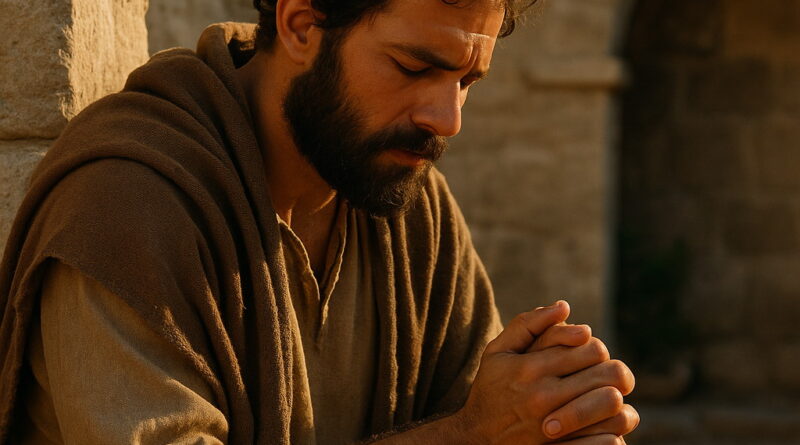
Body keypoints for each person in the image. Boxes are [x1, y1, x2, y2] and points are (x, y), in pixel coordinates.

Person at [0, 0, 638, 443]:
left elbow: (490, 413)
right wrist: (473, 435)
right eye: (415, 67)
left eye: (467, 80)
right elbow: (474, 426)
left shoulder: (413, 208)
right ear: (303, 24)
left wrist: (553, 416)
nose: (447, 118)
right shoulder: (125, 210)